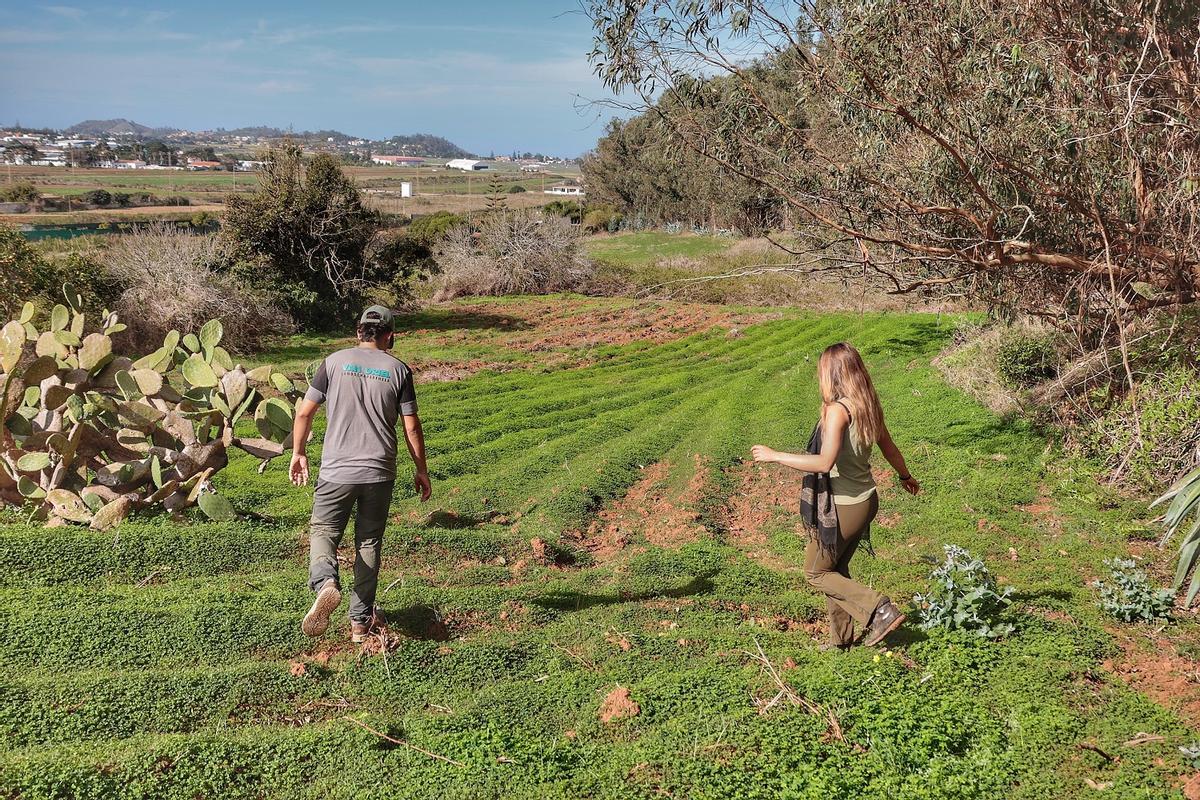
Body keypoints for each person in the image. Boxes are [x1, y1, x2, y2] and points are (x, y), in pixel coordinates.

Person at [751, 342, 920, 650]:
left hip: (842, 507)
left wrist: (776, 455)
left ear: (832, 374)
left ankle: (879, 609)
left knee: (815, 572)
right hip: (866, 501)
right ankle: (841, 640)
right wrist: (905, 476)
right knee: (835, 570)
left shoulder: (837, 411)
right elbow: (891, 449)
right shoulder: (867, 405)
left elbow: (823, 463)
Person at [290, 305, 432, 643]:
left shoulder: (333, 362)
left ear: (358, 333)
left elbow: (305, 411)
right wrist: (422, 469)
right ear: (390, 336)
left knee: (324, 530)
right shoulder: (399, 370)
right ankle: (359, 623)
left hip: (337, 470)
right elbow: (411, 426)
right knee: (368, 541)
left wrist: (299, 453)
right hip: (379, 472)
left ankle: (326, 582)